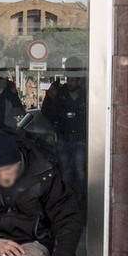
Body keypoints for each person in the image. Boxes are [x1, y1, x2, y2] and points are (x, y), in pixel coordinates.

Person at [40, 56, 88, 196]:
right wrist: (50, 98)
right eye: (68, 78)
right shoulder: (59, 94)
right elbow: (47, 113)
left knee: (80, 172)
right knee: (65, 172)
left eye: (73, 79)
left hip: (80, 138)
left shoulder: (86, 95)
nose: (70, 82)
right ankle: (67, 201)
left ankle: (80, 201)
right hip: (64, 138)